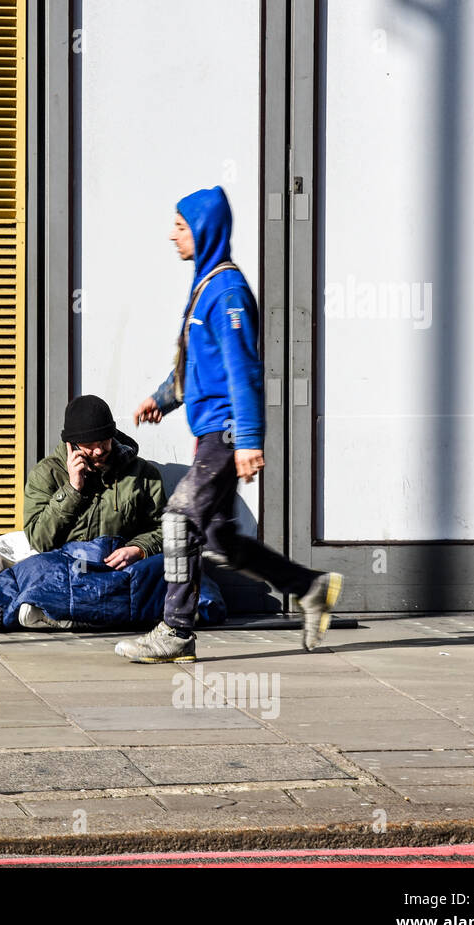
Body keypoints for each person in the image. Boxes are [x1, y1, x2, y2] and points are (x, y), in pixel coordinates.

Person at [118, 186, 342, 663]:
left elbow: (244, 372)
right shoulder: (205, 288)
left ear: (204, 230)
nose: (172, 235)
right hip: (210, 435)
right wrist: (161, 399)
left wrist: (248, 440)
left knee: (178, 520)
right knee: (220, 538)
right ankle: (310, 588)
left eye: (181, 227)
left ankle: (175, 632)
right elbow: (196, 369)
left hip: (223, 435)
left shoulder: (228, 292)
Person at [18, 394, 165, 629]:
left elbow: (162, 528)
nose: (98, 451)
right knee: (36, 568)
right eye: (89, 445)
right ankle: (97, 611)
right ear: (72, 445)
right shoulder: (46, 474)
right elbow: (39, 540)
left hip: (120, 572)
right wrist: (72, 490)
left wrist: (138, 549)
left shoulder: (143, 474)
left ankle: (67, 613)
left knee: (181, 563)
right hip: (71, 570)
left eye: (104, 442)